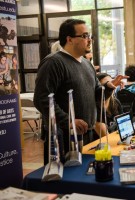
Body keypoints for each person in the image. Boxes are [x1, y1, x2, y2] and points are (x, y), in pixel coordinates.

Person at [34, 19, 127, 165]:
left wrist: (109, 86)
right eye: (84, 36)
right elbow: (42, 99)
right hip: (64, 137)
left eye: (89, 35)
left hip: (88, 134)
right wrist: (68, 121)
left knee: (84, 179)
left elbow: (97, 94)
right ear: (69, 39)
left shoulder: (86, 64)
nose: (89, 40)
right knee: (67, 182)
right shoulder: (53, 62)